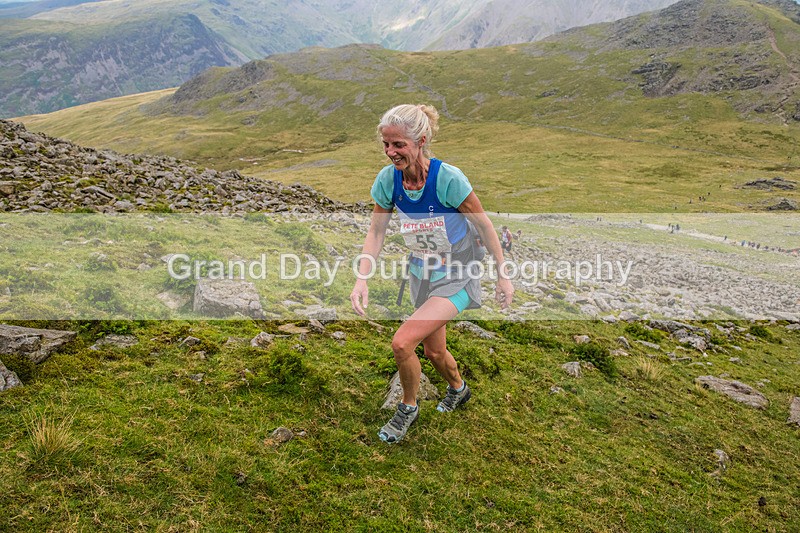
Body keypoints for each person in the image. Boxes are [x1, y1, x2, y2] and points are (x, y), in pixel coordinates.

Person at [350, 104, 514, 444]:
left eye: (398, 145)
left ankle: (407, 407)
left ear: (421, 140)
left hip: (458, 274)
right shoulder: (388, 181)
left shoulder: (448, 179)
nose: (391, 152)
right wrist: (362, 278)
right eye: (386, 144)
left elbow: (483, 224)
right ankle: (459, 389)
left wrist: (503, 275)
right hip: (421, 275)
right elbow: (376, 232)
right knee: (434, 352)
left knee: (402, 342)